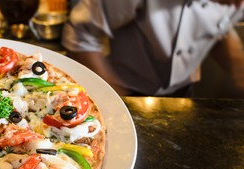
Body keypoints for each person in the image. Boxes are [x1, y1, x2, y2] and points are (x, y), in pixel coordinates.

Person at [61, 0, 244, 96]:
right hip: (125, 90)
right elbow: (80, 35)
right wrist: (112, 98)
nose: (239, 5)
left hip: (183, 94)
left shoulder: (234, 2)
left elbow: (220, 30)